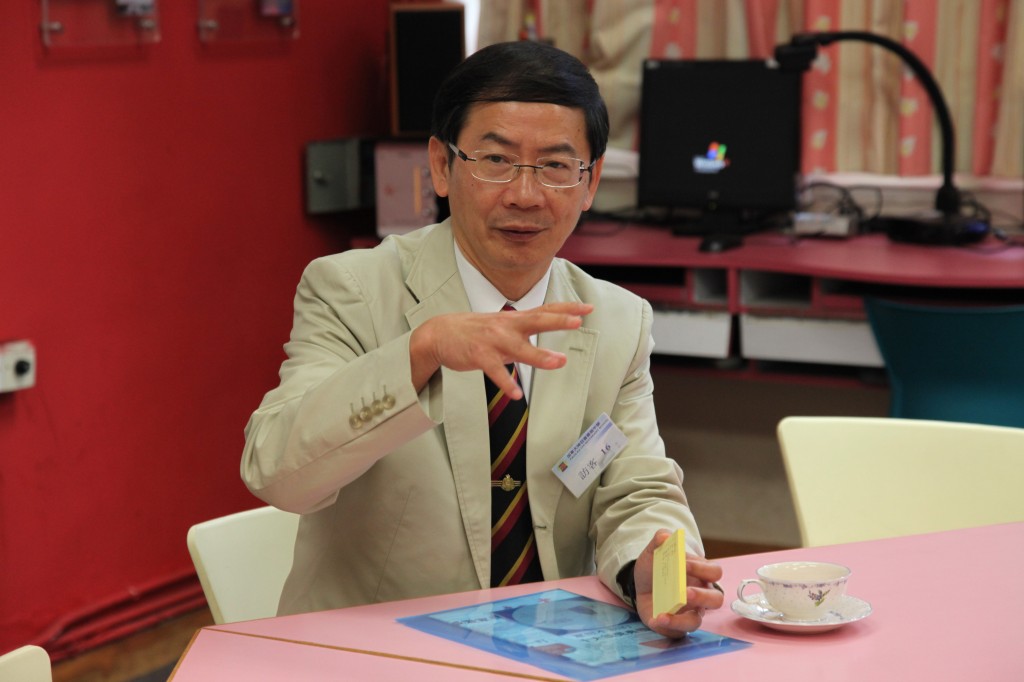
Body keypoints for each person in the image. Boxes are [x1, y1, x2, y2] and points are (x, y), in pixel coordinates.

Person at [241, 40, 724, 638]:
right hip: (378, 650)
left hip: (548, 646)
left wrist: (648, 567)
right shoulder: (352, 289)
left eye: (555, 166)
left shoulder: (619, 319)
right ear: (442, 167)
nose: (525, 194)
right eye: (496, 160)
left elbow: (637, 489)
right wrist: (419, 353)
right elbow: (278, 474)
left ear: (591, 181)